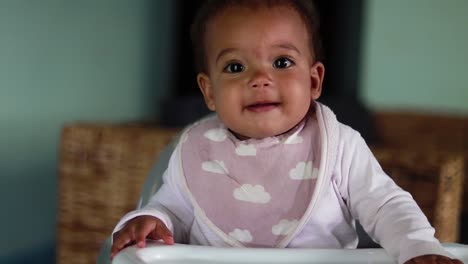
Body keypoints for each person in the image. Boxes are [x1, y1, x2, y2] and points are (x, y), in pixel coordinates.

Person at [110, 1, 463, 263]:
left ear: (314, 80)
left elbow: (386, 205)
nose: (259, 79)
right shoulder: (199, 152)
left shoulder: (338, 145)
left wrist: (417, 247)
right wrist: (152, 220)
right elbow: (172, 210)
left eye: (282, 62)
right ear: (209, 92)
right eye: (235, 66)